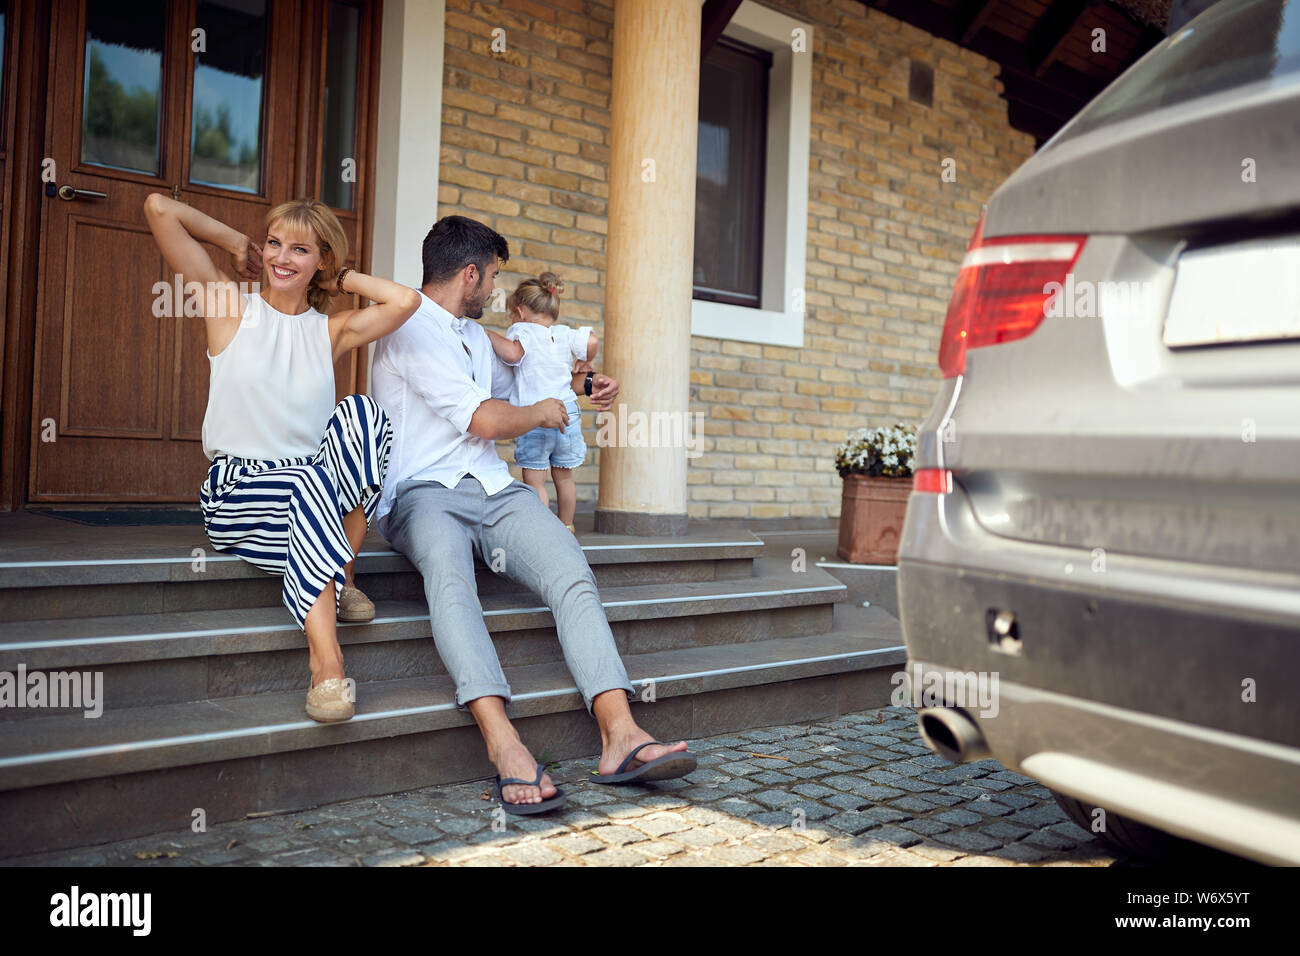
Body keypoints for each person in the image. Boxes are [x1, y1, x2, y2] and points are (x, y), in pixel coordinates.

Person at [371, 215, 696, 815]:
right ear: (470, 273)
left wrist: (581, 389)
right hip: (422, 493)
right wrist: (547, 413)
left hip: (493, 488)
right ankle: (504, 746)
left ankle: (619, 735)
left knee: (570, 568)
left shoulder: (473, 336)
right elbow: (488, 421)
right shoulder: (408, 330)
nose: (495, 290)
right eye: (492, 277)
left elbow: (525, 390)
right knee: (449, 578)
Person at [143, 194, 421, 722]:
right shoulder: (229, 306)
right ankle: (327, 665)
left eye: (300, 249)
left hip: (309, 491)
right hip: (238, 491)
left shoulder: (328, 331)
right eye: (275, 244)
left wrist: (341, 282)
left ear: (321, 261)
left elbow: (405, 302)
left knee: (364, 415)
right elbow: (159, 207)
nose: (282, 258)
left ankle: (345, 577)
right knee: (307, 481)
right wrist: (237, 244)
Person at [496, 271, 596, 533]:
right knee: (564, 477)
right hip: (568, 414)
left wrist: (487, 335)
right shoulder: (564, 333)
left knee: (534, 479)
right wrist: (586, 360)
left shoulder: (521, 330)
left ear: (520, 311)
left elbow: (513, 354)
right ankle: (567, 525)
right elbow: (592, 340)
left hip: (536, 416)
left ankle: (542, 531)